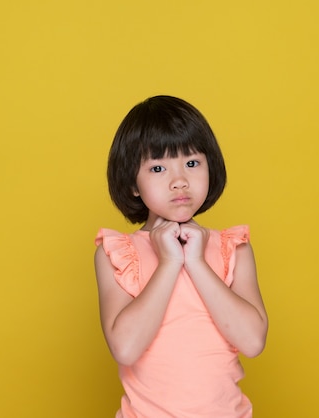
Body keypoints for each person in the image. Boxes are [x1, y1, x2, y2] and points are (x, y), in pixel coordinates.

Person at [94, 95, 268, 417]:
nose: (179, 181)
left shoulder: (233, 248)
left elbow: (253, 341)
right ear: (133, 183)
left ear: (210, 166)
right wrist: (170, 262)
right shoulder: (118, 253)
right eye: (158, 168)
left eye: (191, 163)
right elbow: (126, 347)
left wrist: (197, 262)